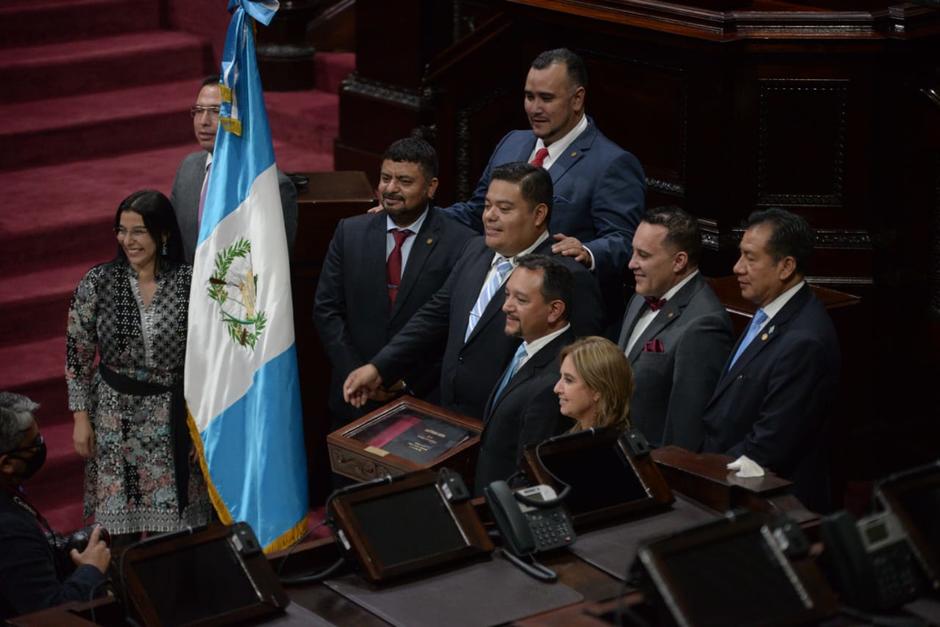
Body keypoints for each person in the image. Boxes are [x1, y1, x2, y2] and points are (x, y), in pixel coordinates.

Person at [344, 162, 604, 420]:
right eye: (488, 205)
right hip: (449, 417)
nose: (489, 216)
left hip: (511, 428)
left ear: (538, 214)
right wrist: (380, 367)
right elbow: (433, 317)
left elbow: (582, 368)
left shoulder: (569, 276)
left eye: (504, 209)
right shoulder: (475, 249)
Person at [442, 48, 645, 328]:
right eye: (529, 97)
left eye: (546, 98)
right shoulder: (512, 142)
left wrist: (588, 251)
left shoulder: (612, 163)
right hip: (494, 299)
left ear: (577, 99)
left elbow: (624, 240)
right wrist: (425, 218)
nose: (534, 109)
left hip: (557, 315)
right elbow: (476, 210)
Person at [67, 190, 211, 542]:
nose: (127, 240)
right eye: (121, 230)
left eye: (138, 231)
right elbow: (77, 354)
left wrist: (202, 427)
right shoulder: (98, 282)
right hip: (115, 420)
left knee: (175, 539)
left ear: (163, 234)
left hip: (173, 416)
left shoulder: (190, 282)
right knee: (120, 538)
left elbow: (208, 358)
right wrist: (80, 417)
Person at [314, 137, 475, 426]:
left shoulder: (461, 243)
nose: (390, 188)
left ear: (431, 187)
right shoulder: (350, 232)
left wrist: (401, 381)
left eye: (404, 181)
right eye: (385, 178)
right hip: (354, 398)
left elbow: (452, 327)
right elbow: (327, 310)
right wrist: (358, 374)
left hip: (422, 398)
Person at [701, 208, 840, 513]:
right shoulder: (770, 312)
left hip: (769, 505)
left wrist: (702, 471)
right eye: (740, 255)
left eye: (750, 258)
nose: (737, 267)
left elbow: (768, 446)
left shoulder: (804, 341)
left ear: (786, 266)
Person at [616, 207, 733, 450]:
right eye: (633, 251)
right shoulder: (641, 295)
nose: (631, 263)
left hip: (650, 460)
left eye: (643, 255)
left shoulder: (705, 325)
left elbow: (686, 429)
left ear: (679, 261)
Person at [1, 392, 110, 619]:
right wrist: (91, 570)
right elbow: (51, 614)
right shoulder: (10, 530)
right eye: (35, 444)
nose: (42, 446)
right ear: (7, 463)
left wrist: (65, 553)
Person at [474, 255, 576, 494]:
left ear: (554, 310)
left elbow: (531, 476)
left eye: (520, 299)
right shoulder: (525, 346)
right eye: (507, 294)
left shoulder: (555, 380)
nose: (506, 306)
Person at [169, 75, 298, 263]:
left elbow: (271, 264)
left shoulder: (271, 187)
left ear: (240, 117)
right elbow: (171, 240)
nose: (204, 121)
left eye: (216, 111)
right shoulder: (188, 169)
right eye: (199, 110)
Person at [554, 336, 634, 433]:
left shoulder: (615, 442)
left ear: (598, 390)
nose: (556, 388)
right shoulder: (571, 438)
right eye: (561, 377)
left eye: (568, 380)